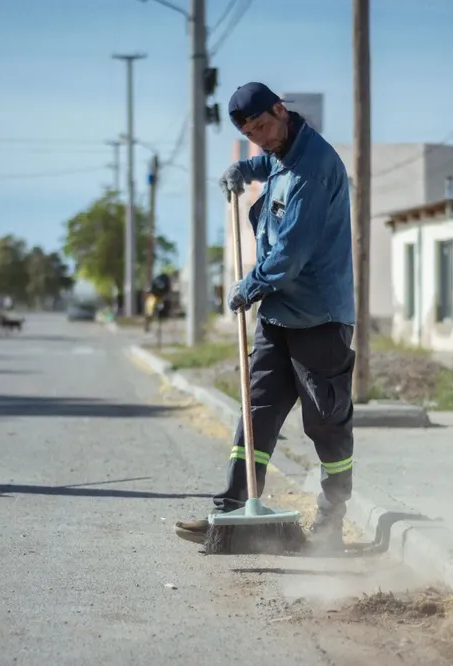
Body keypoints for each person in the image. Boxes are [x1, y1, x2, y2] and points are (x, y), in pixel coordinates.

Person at [174, 82, 356, 551]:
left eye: (263, 127)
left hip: (320, 318)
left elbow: (290, 255)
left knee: (325, 424)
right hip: (277, 317)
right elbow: (269, 161)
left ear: (282, 110)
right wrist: (243, 168)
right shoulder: (280, 148)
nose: (261, 139)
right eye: (250, 134)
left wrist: (248, 287)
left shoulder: (313, 172)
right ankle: (231, 513)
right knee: (256, 415)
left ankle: (331, 522)